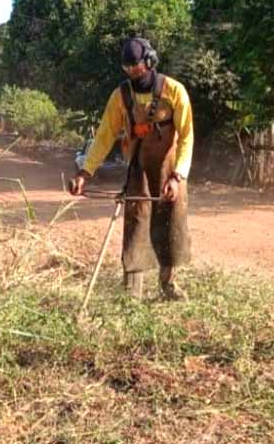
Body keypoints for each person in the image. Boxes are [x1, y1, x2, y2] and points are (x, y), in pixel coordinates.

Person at [69, 37, 194, 299]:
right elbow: (104, 135)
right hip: (138, 170)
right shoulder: (121, 96)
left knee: (170, 225)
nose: (133, 73)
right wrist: (85, 172)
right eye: (127, 69)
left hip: (170, 172)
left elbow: (186, 136)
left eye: (136, 67)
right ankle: (131, 294)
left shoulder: (174, 91)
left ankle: (168, 285)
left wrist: (177, 176)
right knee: (136, 226)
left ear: (150, 61)